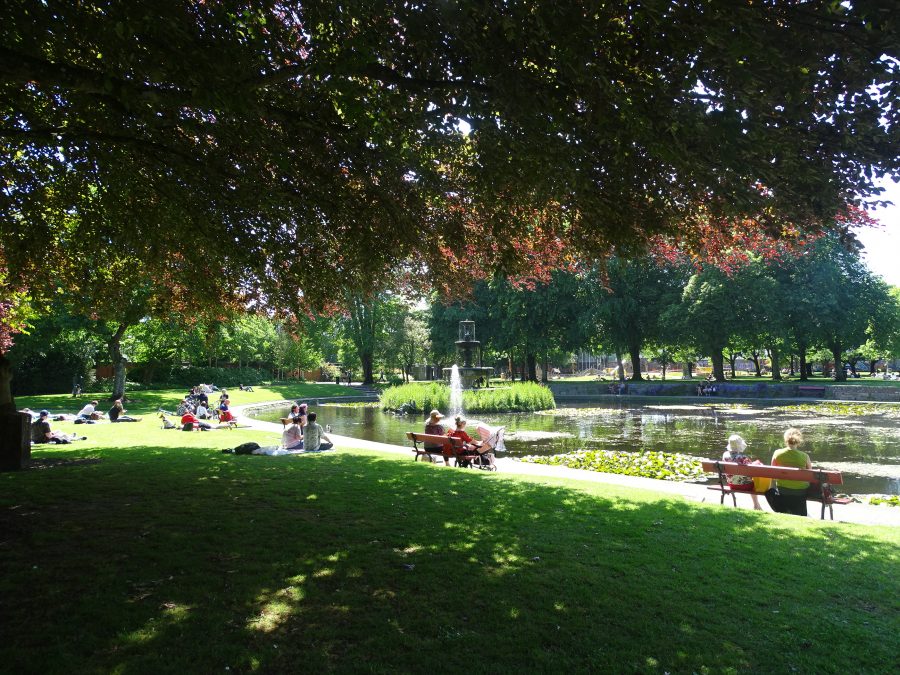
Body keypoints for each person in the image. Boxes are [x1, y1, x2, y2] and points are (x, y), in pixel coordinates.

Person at [765, 428, 812, 517]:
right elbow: (810, 475)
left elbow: (772, 472)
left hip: (783, 489)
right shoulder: (805, 456)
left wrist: (772, 487)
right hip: (800, 491)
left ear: (785, 440)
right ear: (799, 441)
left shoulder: (777, 453)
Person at [722, 434, 763, 510]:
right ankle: (756, 505)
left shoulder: (725, 455)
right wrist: (757, 462)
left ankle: (757, 506)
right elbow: (752, 469)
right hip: (745, 486)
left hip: (731, 484)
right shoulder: (742, 457)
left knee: (747, 480)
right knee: (753, 484)